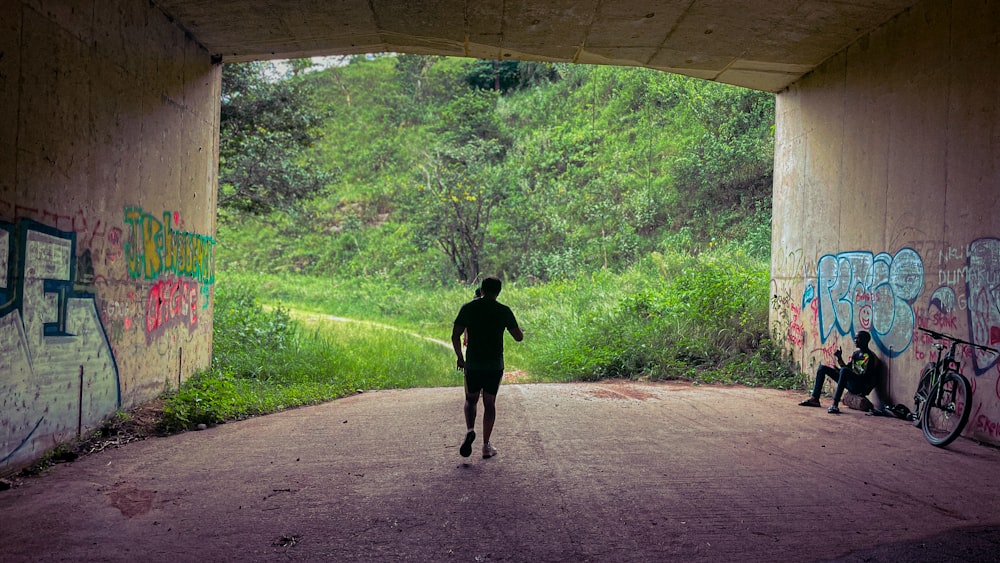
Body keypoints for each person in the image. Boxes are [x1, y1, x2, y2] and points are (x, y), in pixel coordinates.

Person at [451, 277, 523, 459]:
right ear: (498, 292)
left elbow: (455, 335)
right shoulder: (504, 311)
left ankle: (469, 429)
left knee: (471, 399)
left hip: (474, 363)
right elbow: (518, 337)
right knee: (489, 403)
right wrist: (518, 329)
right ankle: (485, 445)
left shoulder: (468, 308)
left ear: (481, 290)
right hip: (494, 365)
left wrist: (460, 358)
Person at [799, 330, 881, 414]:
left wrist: (846, 374)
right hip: (851, 382)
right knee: (822, 368)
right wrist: (839, 359)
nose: (855, 340)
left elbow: (866, 378)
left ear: (865, 340)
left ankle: (835, 404)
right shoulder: (856, 354)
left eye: (858, 338)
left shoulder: (870, 357)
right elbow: (847, 368)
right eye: (855, 338)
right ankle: (815, 399)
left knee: (844, 371)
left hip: (860, 386)